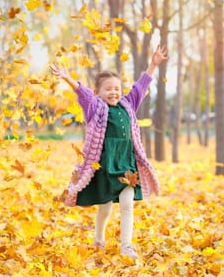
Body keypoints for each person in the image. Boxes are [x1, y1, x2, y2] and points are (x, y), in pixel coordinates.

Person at [50, 44, 168, 259]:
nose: (113, 92)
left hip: (127, 164)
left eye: (116, 88)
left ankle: (126, 246)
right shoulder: (95, 108)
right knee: (105, 207)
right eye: (108, 89)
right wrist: (68, 79)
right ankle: (98, 238)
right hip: (105, 165)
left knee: (126, 204)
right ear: (98, 92)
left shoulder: (128, 104)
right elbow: (83, 93)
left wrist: (153, 64)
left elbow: (140, 87)